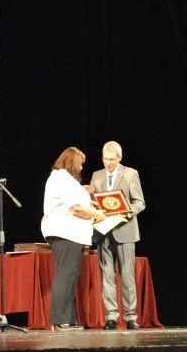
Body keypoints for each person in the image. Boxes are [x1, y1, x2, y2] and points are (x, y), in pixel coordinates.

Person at [41, 147, 106, 331]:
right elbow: (76, 208)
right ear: (73, 163)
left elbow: (76, 203)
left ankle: (68, 320)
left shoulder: (66, 180)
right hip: (65, 232)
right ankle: (60, 320)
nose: (82, 168)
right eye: (81, 164)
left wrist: (88, 202)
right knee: (66, 275)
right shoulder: (62, 178)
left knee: (70, 276)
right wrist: (97, 214)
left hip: (71, 233)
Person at [90, 141, 145, 330]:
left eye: (112, 160)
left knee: (127, 276)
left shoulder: (130, 174)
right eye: (105, 159)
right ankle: (111, 317)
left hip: (125, 230)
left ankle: (131, 317)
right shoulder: (96, 176)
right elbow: (93, 203)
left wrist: (126, 211)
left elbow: (140, 202)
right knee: (107, 276)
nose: (108, 163)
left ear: (120, 158)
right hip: (103, 232)